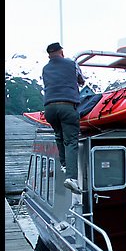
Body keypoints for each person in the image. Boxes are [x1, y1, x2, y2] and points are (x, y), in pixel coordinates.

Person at [42, 42, 85, 194]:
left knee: (59, 135)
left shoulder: (45, 68)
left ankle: (64, 164)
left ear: (49, 55)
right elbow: (81, 80)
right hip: (67, 106)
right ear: (61, 52)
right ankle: (71, 178)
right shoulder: (72, 64)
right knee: (71, 141)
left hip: (49, 109)